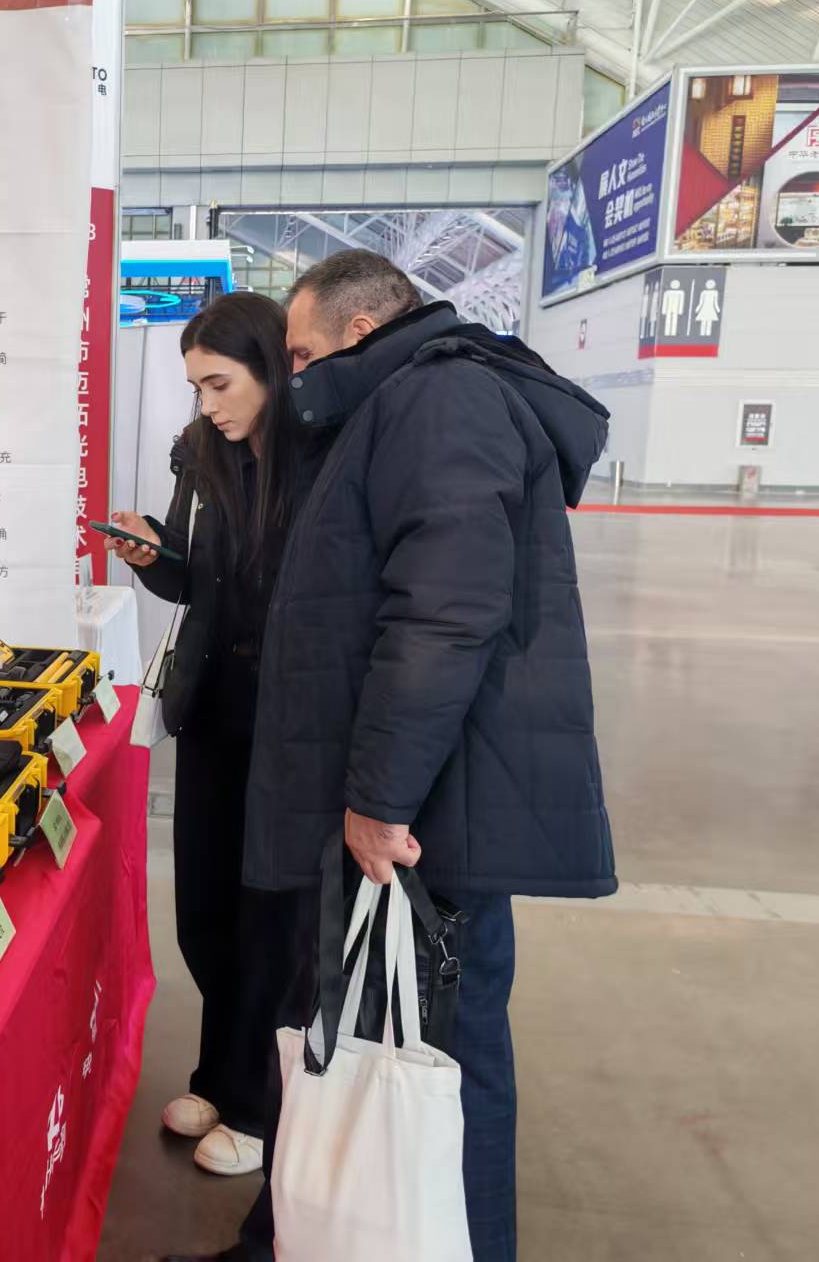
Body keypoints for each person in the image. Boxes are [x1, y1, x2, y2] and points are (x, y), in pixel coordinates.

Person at [177, 250, 616, 1262]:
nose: (291, 376)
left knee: (437, 1071)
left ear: (360, 331)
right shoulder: (404, 404)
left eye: (299, 354)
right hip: (409, 806)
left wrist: (377, 798)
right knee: (356, 1042)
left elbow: (442, 618)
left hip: (422, 823)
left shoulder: (441, 402)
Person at [105, 293, 325, 1178]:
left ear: (271, 367)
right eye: (196, 386)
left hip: (291, 721)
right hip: (212, 708)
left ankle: (261, 1106)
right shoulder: (200, 453)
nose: (207, 403)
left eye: (220, 383)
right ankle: (218, 1076)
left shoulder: (321, 455)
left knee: (273, 917)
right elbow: (194, 581)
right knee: (206, 909)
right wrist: (151, 555)